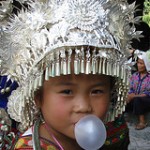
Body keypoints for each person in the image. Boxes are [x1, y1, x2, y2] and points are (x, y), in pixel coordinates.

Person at [0, 0, 142, 149]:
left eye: (97, 91)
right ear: (38, 97)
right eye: (67, 91)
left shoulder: (114, 133)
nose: (84, 106)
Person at [126, 50, 150, 130]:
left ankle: (142, 122)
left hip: (146, 101)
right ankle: (120, 119)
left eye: (141, 63)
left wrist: (134, 96)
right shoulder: (134, 75)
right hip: (135, 99)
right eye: (138, 63)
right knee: (123, 97)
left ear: (146, 64)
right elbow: (131, 88)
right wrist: (129, 95)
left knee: (137, 100)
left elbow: (148, 93)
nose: (138, 65)